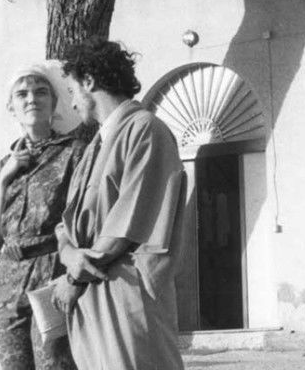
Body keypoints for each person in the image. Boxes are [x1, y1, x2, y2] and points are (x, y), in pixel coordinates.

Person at [52, 38, 186, 370]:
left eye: (71, 91)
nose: (71, 104)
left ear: (88, 81)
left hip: (126, 296)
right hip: (91, 297)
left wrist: (74, 278)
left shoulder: (146, 130)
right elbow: (66, 227)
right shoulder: (95, 146)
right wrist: (69, 255)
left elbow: (125, 227)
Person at [0, 63, 86, 370]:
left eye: (41, 92)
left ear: (54, 103)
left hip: (51, 270)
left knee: (54, 363)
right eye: (22, 94)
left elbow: (83, 220)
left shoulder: (74, 152)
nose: (31, 99)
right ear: (11, 107)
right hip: (8, 277)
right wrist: (4, 179)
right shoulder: (6, 163)